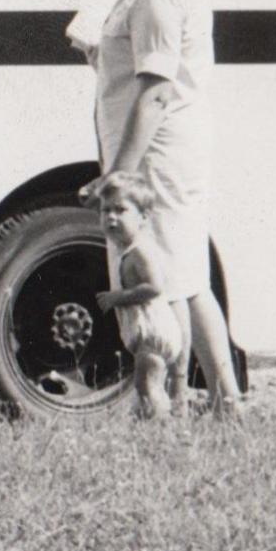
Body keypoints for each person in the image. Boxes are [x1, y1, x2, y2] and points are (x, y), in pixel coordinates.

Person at [78, 0, 242, 415]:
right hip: (175, 148)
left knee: (165, 277)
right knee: (187, 274)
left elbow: (154, 90)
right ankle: (223, 397)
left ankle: (176, 400)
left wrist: (116, 178)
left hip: (157, 155)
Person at [93, 171, 191, 420]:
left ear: (143, 217)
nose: (111, 218)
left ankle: (163, 426)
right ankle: (153, 419)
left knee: (148, 382)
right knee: (144, 382)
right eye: (106, 211)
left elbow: (154, 288)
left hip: (153, 331)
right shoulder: (128, 250)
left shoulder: (141, 252)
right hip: (149, 331)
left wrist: (118, 297)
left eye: (120, 210)